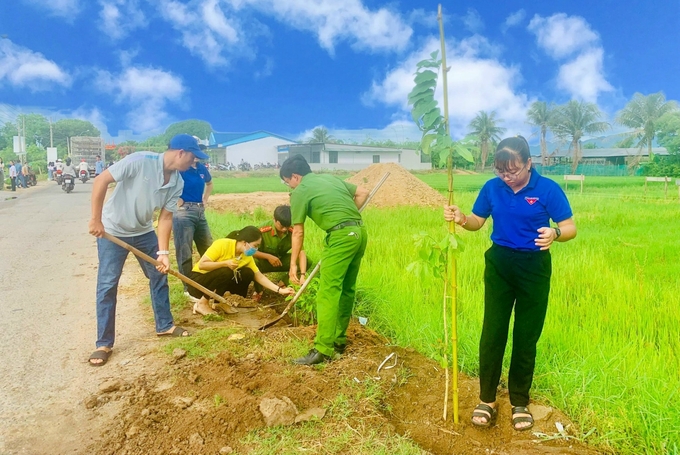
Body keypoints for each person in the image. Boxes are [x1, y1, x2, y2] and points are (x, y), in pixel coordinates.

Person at [443, 136, 576, 431]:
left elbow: (570, 227)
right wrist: (461, 217)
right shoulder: (492, 188)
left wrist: (555, 233)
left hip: (534, 267)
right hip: (500, 265)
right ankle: (487, 399)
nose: (507, 177)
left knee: (526, 336)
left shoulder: (547, 189)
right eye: (501, 171)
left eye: (513, 171)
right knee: (493, 331)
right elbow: (477, 221)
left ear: (529, 164)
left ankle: (519, 401)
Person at [87, 134, 209, 366]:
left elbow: (165, 217)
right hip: (113, 230)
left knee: (158, 274)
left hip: (143, 232)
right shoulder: (139, 161)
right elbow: (101, 180)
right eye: (193, 157)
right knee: (107, 284)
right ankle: (103, 343)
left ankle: (164, 325)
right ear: (181, 152)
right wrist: (96, 220)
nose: (194, 163)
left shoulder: (177, 182)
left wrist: (163, 253)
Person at [280, 155, 369, 365]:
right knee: (346, 288)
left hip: (340, 237)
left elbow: (298, 232)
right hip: (359, 232)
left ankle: (322, 349)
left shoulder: (300, 191)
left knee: (328, 291)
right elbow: (362, 193)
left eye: (287, 182)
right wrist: (345, 217)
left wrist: (292, 264)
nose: (288, 187)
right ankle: (338, 341)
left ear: (295, 177)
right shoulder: (329, 178)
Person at [187, 226, 295, 315]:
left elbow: (259, 276)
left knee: (248, 273)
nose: (256, 250)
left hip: (214, 285)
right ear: (244, 242)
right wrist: (225, 263)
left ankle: (224, 301)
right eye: (255, 246)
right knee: (226, 271)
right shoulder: (222, 244)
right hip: (198, 284)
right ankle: (202, 304)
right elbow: (202, 265)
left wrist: (280, 290)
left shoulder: (246, 256)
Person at [172, 148, 214, 299]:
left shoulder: (202, 168)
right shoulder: (182, 168)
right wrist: (176, 200)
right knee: (185, 251)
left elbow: (209, 184)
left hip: (199, 210)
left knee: (209, 248)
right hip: (183, 212)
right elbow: (167, 184)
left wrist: (205, 199)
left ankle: (209, 282)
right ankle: (188, 288)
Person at [251, 205, 309, 302]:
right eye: (282, 226)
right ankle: (259, 290)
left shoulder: (293, 232)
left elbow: (301, 252)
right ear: (274, 219)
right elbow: (251, 251)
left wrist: (303, 275)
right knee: (252, 262)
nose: (284, 229)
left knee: (307, 260)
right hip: (263, 261)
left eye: (287, 226)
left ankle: (283, 283)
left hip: (280, 261)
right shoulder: (262, 230)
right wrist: (268, 257)